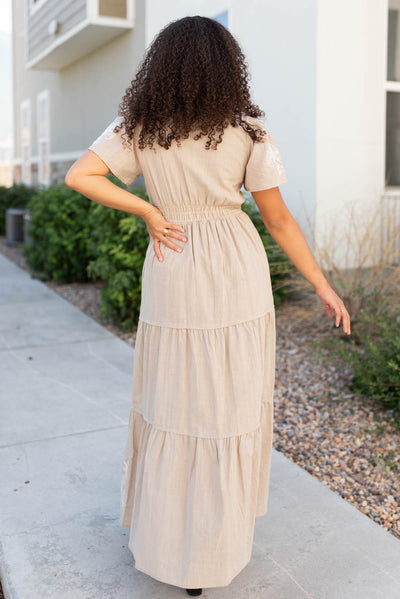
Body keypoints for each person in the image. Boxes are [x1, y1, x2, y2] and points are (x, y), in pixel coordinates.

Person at [65, 15, 351, 596]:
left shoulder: (141, 125)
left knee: (174, 395)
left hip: (174, 260)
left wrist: (148, 210)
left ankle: (170, 542)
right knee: (229, 398)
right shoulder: (247, 130)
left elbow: (81, 175)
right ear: (227, 67)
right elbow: (277, 220)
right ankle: (214, 546)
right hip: (236, 265)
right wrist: (322, 283)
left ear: (162, 65)